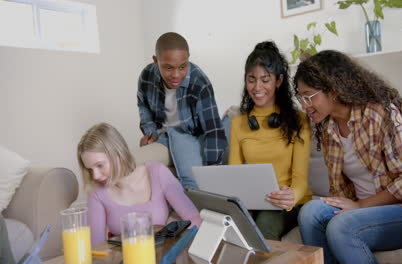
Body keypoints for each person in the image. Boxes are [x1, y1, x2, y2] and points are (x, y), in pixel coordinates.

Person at [294, 50, 402, 264]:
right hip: (360, 211)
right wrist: (349, 206)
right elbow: (340, 191)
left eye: (309, 96)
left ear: (332, 91)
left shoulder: (378, 113)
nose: (304, 105)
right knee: (310, 213)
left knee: (342, 226)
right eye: (300, 97)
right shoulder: (328, 127)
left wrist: (362, 206)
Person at [228, 41, 311, 241]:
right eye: (251, 79)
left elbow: (300, 179)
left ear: (278, 81)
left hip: (288, 201)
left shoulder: (299, 120)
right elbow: (234, 176)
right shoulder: (238, 123)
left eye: (265, 79)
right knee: (233, 226)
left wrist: (291, 196)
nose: (257, 87)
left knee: (265, 224)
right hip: (255, 200)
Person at [77, 123, 202, 245]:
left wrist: (173, 246)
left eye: (100, 165)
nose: (95, 176)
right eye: (90, 169)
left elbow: (194, 219)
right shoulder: (96, 192)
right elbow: (96, 246)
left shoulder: (157, 172)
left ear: (118, 155)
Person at [137, 32, 227, 190]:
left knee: (192, 184)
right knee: (135, 166)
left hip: (191, 136)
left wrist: (213, 172)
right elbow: (143, 105)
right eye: (168, 68)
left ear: (188, 58)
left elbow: (213, 130)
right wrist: (150, 133)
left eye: (182, 67)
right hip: (163, 135)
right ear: (156, 61)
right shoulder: (147, 75)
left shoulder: (200, 82)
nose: (176, 75)